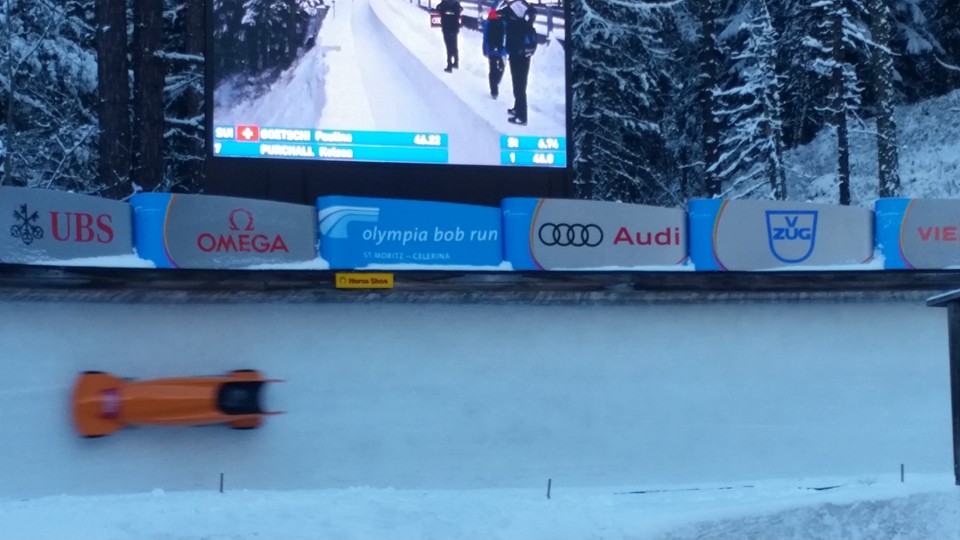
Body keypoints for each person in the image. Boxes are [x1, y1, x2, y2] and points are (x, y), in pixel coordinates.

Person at [496, 0, 536, 126]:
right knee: (521, 82)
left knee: (518, 84)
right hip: (525, 52)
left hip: (516, 52)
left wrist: (501, 4)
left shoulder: (509, 10)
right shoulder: (527, 9)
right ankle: (517, 108)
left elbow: (494, 14)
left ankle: (522, 116)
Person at [482, 7, 507, 99]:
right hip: (502, 51)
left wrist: (485, 49)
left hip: (491, 50)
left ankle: (494, 90)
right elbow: (506, 36)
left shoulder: (488, 23)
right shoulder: (504, 23)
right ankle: (496, 81)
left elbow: (485, 37)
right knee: (501, 67)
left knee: (492, 70)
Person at [436, 0, 463, 73]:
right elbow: (460, 9)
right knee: (454, 44)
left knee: (448, 46)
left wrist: (443, 14)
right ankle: (456, 62)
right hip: (454, 27)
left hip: (446, 27)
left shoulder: (443, 3)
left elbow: (438, 8)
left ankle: (449, 65)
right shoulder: (456, 4)